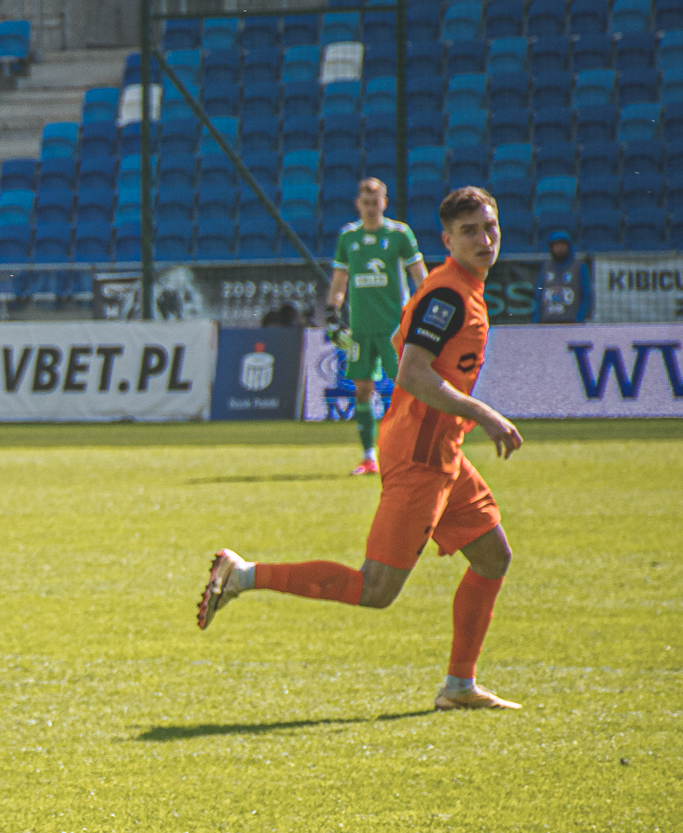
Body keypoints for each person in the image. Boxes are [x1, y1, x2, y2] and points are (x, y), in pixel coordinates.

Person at [197, 187, 524, 713]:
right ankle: (242, 574)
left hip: (441, 450)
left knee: (492, 557)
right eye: (470, 231)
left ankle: (459, 686)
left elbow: (404, 346)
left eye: (490, 227)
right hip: (419, 456)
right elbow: (412, 372)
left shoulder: (459, 287)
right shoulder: (447, 296)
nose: (484, 239)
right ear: (447, 241)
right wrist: (484, 413)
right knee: (376, 589)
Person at [325, 178, 428, 477]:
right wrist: (332, 313)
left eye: (376, 202)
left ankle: (412, 450)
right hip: (361, 327)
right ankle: (369, 456)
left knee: (405, 387)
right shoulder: (348, 236)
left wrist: (427, 305)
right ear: (358, 204)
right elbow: (340, 279)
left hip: (394, 327)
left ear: (385, 202)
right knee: (362, 389)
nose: (371, 208)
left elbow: (419, 274)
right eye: (366, 203)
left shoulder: (399, 234)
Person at [533, 229, 591, 324]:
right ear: (551, 247)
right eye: (556, 246)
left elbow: (586, 295)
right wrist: (536, 320)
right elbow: (539, 295)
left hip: (571, 322)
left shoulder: (579, 267)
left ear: (569, 246)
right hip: (547, 321)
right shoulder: (546, 266)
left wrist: (579, 319)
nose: (559, 248)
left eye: (562, 245)